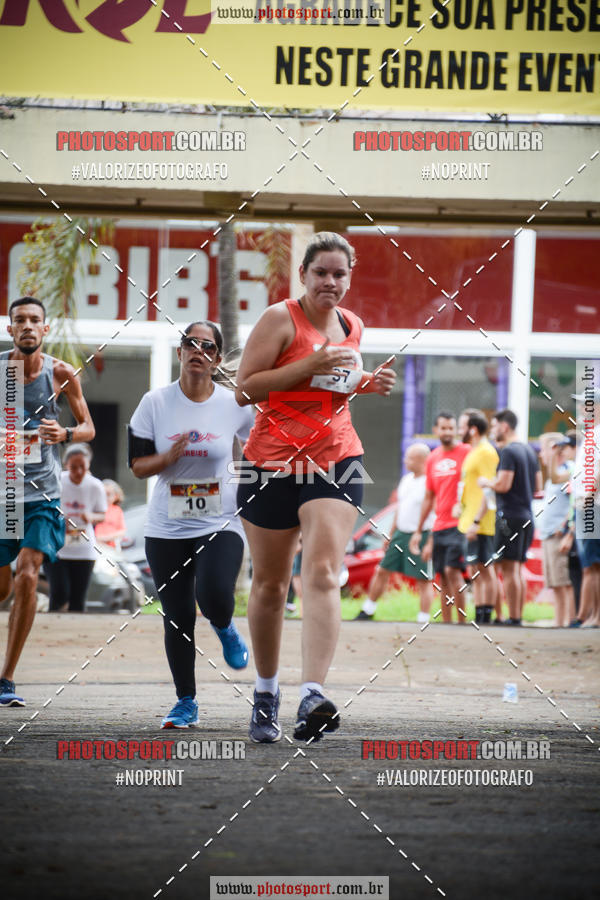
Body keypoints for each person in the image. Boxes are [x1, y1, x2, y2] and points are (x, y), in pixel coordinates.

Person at [234, 231, 395, 743]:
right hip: (269, 464)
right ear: (302, 275)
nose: (330, 281)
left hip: (337, 458)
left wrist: (365, 384)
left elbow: (334, 388)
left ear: (350, 278)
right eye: (321, 272)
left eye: (340, 273)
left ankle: (313, 695)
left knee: (324, 572)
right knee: (270, 584)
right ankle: (265, 692)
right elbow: (244, 389)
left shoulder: (353, 325)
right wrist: (309, 364)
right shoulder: (280, 319)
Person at [129, 321, 254, 729]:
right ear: (180, 352)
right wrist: (168, 458)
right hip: (167, 525)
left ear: (216, 358)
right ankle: (186, 702)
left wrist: (254, 491)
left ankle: (224, 626)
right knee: (177, 615)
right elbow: (137, 466)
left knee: (215, 594)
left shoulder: (234, 403)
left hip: (220, 518)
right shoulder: (154, 402)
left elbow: (256, 450)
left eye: (207, 346)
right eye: (190, 343)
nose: (197, 350)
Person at [0, 297, 95, 707]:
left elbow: (88, 427)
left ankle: (6, 679)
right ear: (9, 329)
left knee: (27, 573)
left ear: (45, 328)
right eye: (18, 320)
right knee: (3, 586)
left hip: (42, 494)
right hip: (4, 496)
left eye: (34, 320)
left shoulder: (60, 373)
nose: (26, 326)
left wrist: (66, 434)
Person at [355, 442, 434, 623]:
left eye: (410, 458)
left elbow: (434, 514)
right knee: (382, 569)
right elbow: (399, 509)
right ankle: (368, 610)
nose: (405, 460)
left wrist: (430, 541)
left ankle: (423, 619)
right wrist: (390, 534)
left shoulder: (429, 483)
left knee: (423, 578)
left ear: (422, 461)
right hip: (400, 533)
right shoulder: (406, 480)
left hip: (420, 535)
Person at [481, 409, 542, 626]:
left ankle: (514, 618)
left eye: (495, 425)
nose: (493, 430)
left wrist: (487, 482)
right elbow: (538, 486)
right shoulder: (528, 451)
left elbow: (503, 484)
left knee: (508, 568)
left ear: (504, 427)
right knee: (516, 567)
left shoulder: (508, 452)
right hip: (526, 515)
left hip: (509, 517)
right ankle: (517, 615)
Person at [409, 412, 470, 625]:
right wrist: (419, 530)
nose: (447, 432)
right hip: (439, 525)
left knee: (454, 572)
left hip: (459, 525)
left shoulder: (466, 452)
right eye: (443, 428)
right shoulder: (433, 458)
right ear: (436, 430)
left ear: (456, 430)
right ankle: (447, 624)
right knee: (442, 576)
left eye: (451, 428)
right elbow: (429, 497)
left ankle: (462, 623)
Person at [43, 444, 106, 613]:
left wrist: (91, 517)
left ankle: (77, 636)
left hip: (84, 550)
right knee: (59, 593)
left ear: (88, 465)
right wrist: (58, 520)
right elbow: (44, 507)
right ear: (66, 465)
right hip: (57, 547)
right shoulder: (57, 480)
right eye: (74, 467)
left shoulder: (95, 486)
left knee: (78, 600)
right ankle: (53, 630)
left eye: (82, 467)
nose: (78, 472)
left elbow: (102, 514)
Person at [456, 410, 499, 625]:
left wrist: (476, 521)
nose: (458, 430)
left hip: (481, 523)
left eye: (462, 426)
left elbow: (489, 489)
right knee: (476, 570)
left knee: (485, 568)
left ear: (473, 429)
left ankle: (486, 615)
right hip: (469, 519)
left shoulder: (486, 452)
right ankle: (480, 613)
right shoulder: (473, 452)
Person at [538, 434, 575, 627]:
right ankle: (559, 621)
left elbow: (573, 501)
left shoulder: (568, 470)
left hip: (558, 535)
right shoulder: (554, 474)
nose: (542, 454)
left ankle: (568, 621)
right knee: (556, 584)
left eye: (544, 449)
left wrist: (567, 529)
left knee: (564, 583)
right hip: (548, 535)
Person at [95, 479, 127, 549]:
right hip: (96, 546)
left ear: (116, 496)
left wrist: (106, 538)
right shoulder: (95, 508)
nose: (105, 498)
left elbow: (122, 531)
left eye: (108, 494)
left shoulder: (117, 510)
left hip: (111, 547)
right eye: (103, 494)